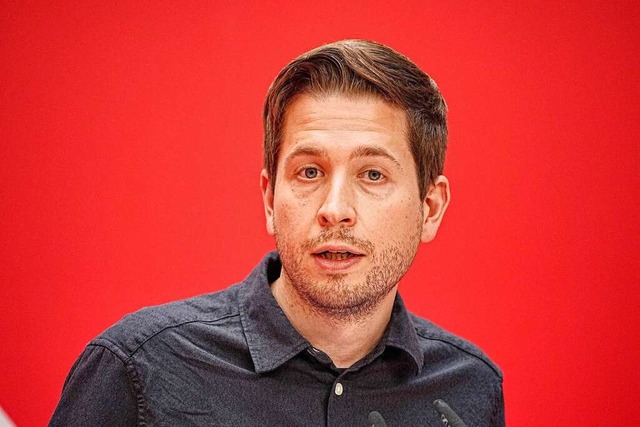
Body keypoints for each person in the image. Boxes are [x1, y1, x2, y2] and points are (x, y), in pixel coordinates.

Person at [50, 40, 504, 426]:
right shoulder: (138, 367)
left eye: (373, 175)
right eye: (309, 172)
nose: (335, 210)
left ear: (430, 208)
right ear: (270, 200)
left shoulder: (470, 386)